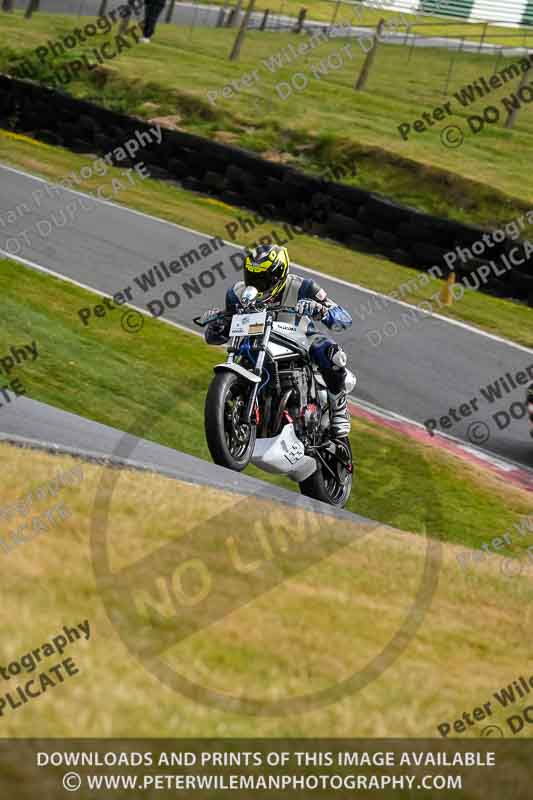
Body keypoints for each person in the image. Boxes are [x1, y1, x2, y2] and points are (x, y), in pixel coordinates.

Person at [201, 244, 354, 438]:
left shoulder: (303, 287)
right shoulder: (238, 293)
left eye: (264, 279)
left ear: (279, 273)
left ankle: (339, 409)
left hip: (299, 337)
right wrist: (217, 323)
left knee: (332, 353)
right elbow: (217, 335)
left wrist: (320, 310)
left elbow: (344, 319)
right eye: (253, 278)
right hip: (256, 343)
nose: (257, 284)